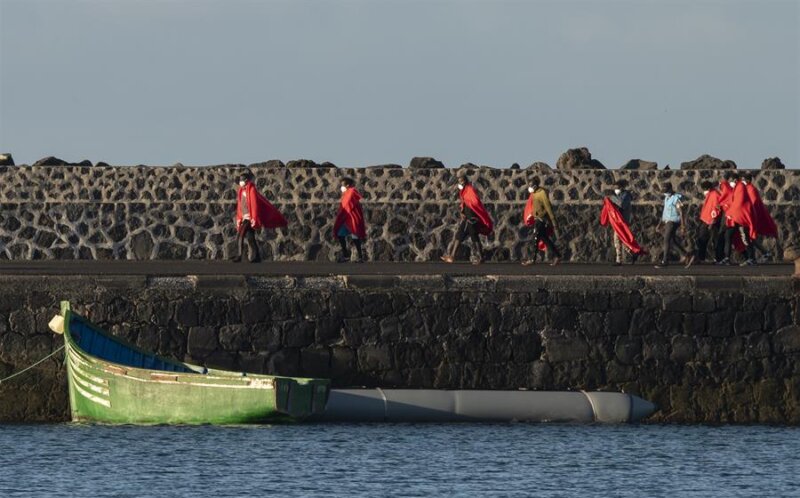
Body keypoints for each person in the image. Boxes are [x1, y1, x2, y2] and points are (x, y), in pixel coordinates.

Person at [233, 171, 288, 263]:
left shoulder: (251, 189)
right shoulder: (241, 191)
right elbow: (240, 206)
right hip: (244, 217)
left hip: (249, 218)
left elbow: (254, 205)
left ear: (246, 180)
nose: (240, 181)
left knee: (240, 235)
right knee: (250, 238)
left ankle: (239, 256)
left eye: (242, 180)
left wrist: (254, 218)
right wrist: (239, 218)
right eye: (240, 180)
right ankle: (257, 257)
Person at [441, 171, 493, 264]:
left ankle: (452, 256)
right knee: (471, 236)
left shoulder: (469, 189)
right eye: (458, 181)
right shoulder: (464, 190)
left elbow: (475, 202)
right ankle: (481, 258)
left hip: (471, 219)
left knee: (461, 236)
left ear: (464, 181)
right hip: (469, 218)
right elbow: (465, 203)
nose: (459, 183)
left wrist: (470, 212)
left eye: (460, 181)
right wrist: (462, 212)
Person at [521, 176, 561, 266]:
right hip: (537, 219)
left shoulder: (542, 193)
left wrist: (553, 221)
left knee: (535, 238)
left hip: (541, 220)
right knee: (546, 240)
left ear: (535, 186)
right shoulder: (534, 193)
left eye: (531, 185)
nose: (529, 187)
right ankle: (557, 256)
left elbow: (548, 207)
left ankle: (532, 259)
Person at [720, 174, 756, 266]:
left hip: (741, 217)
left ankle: (751, 258)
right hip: (735, 217)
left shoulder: (740, 187)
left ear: (735, 180)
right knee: (728, 236)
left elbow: (738, 203)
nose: (730, 182)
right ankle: (727, 257)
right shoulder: (736, 188)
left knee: (745, 238)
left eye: (731, 180)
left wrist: (730, 213)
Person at [655, 184, 694, 269]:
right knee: (672, 241)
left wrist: (683, 225)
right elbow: (665, 212)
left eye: (666, 191)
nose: (665, 193)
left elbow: (681, 211)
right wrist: (660, 224)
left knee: (666, 239)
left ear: (670, 189)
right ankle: (686, 255)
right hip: (667, 221)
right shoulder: (667, 198)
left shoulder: (676, 198)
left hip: (673, 221)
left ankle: (665, 261)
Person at [742, 173, 777, 262]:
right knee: (750, 238)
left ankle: (759, 255)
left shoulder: (751, 189)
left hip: (752, 216)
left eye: (744, 180)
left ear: (748, 180)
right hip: (749, 216)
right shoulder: (748, 189)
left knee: (750, 237)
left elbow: (753, 203)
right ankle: (763, 253)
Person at [333, 177, 367, 263]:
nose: (341, 187)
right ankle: (346, 256)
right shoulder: (346, 193)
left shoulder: (352, 192)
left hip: (352, 218)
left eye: (343, 185)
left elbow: (347, 204)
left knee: (355, 238)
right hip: (346, 219)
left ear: (347, 185)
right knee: (341, 235)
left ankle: (360, 257)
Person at [608, 179, 638, 265]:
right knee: (621, 240)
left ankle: (619, 260)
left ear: (621, 187)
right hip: (618, 221)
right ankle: (632, 253)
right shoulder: (620, 195)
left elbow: (621, 204)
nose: (615, 189)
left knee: (618, 239)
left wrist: (612, 198)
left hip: (623, 221)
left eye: (616, 187)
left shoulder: (626, 195)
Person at [694, 180, 722, 264]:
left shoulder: (715, 195)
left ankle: (718, 258)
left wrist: (712, 221)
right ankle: (701, 257)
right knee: (702, 239)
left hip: (711, 221)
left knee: (715, 240)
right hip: (706, 220)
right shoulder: (710, 194)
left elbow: (716, 209)